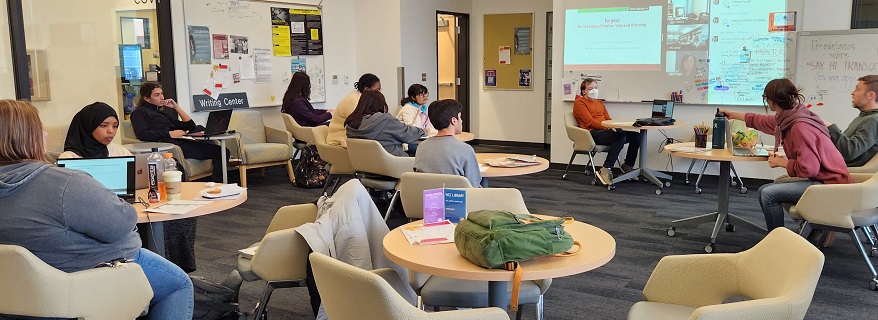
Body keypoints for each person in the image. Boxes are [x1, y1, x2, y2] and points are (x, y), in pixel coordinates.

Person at [0, 100, 194, 319]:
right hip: (78, 281)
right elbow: (122, 223)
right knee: (178, 284)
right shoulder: (64, 183)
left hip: (15, 293)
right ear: (27, 136)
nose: (45, 135)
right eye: (40, 129)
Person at [721, 78, 851, 231]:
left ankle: (778, 240)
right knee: (765, 190)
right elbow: (764, 121)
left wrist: (782, 162)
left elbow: (809, 169)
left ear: (770, 101)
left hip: (831, 185)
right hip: (829, 179)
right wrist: (734, 115)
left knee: (769, 194)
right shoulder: (794, 115)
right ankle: (811, 228)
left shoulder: (799, 127)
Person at [130, 82, 235, 182]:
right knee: (222, 151)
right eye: (157, 95)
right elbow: (142, 134)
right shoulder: (139, 113)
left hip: (179, 141)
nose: (162, 97)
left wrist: (176, 107)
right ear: (147, 98)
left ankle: (212, 153)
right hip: (171, 145)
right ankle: (217, 183)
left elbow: (190, 125)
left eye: (162, 94)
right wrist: (170, 134)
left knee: (198, 128)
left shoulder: (161, 113)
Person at [572, 78, 640, 185]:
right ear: (583, 91)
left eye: (595, 87)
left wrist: (614, 126)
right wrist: (608, 127)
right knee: (620, 137)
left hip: (605, 130)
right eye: (590, 88)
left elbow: (608, 118)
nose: (594, 90)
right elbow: (589, 122)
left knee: (636, 136)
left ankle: (627, 166)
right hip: (592, 133)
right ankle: (606, 168)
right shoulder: (579, 103)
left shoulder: (599, 102)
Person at [414, 99, 481, 187]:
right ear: (453, 120)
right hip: (457, 199)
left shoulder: (421, 147)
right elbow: (473, 184)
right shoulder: (465, 149)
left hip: (426, 198)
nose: (461, 121)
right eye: (460, 117)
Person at [345, 90, 425, 157]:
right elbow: (408, 134)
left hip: (366, 166)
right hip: (393, 163)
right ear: (381, 104)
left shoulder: (352, 122)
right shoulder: (385, 120)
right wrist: (423, 131)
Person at [824, 75, 878, 167]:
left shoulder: (873, 120)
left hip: (846, 173)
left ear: (870, 95)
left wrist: (830, 127)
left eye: (858, 89)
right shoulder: (864, 118)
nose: (852, 93)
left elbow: (850, 151)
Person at [60, 102, 132, 159]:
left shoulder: (120, 152)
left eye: (115, 126)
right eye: (103, 126)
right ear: (88, 127)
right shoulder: (69, 157)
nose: (111, 131)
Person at [326, 73, 382, 148]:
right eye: (377, 90)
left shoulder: (362, 98)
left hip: (349, 136)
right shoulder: (354, 100)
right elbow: (358, 125)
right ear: (366, 89)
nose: (379, 93)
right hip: (338, 139)